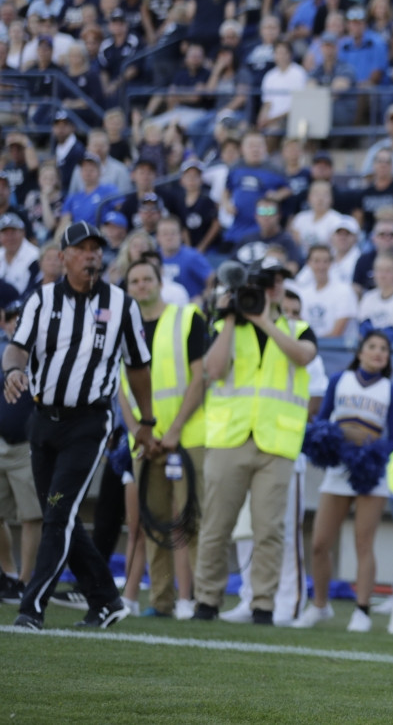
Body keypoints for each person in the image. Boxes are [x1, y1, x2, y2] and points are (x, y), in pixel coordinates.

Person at [7, 222, 156, 630]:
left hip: (89, 422)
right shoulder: (40, 300)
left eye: (96, 248)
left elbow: (139, 366)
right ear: (63, 255)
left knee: (57, 514)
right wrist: (12, 373)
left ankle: (32, 608)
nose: (91, 255)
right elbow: (17, 348)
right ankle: (106, 600)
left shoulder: (122, 304)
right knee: (63, 514)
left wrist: (146, 420)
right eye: (82, 248)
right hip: (42, 421)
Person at [190, 258, 318, 624]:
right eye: (265, 282)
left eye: (278, 281)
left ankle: (263, 604)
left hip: (276, 443)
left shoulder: (299, 328)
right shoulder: (225, 326)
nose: (272, 287)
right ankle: (206, 601)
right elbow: (213, 371)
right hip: (230, 437)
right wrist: (231, 317)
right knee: (216, 524)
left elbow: (302, 357)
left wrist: (263, 319)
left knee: (269, 529)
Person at [294, 331, 393, 633]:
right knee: (319, 543)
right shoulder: (339, 380)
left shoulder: (390, 392)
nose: (378, 353)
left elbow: (392, 439)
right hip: (338, 469)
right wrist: (335, 443)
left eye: (384, 349)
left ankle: (362, 610)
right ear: (360, 351)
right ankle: (320, 606)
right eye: (372, 347)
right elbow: (323, 421)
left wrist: (369, 450)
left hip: (369, 473)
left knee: (363, 542)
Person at [118, 260, 207, 619]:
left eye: (147, 279)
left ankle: (196, 600)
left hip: (187, 436)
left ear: (160, 281)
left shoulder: (188, 318)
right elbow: (119, 389)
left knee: (190, 520)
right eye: (134, 281)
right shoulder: (122, 328)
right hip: (143, 440)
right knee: (152, 524)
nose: (141, 286)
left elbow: (199, 379)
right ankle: (162, 601)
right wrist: (142, 432)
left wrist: (172, 431)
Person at [0, 302, 39, 604]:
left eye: (20, 319)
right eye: (11, 318)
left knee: (31, 516)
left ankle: (27, 581)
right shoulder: (2, 353)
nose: (15, 323)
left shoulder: (43, 356)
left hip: (28, 445)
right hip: (0, 442)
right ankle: (8, 574)